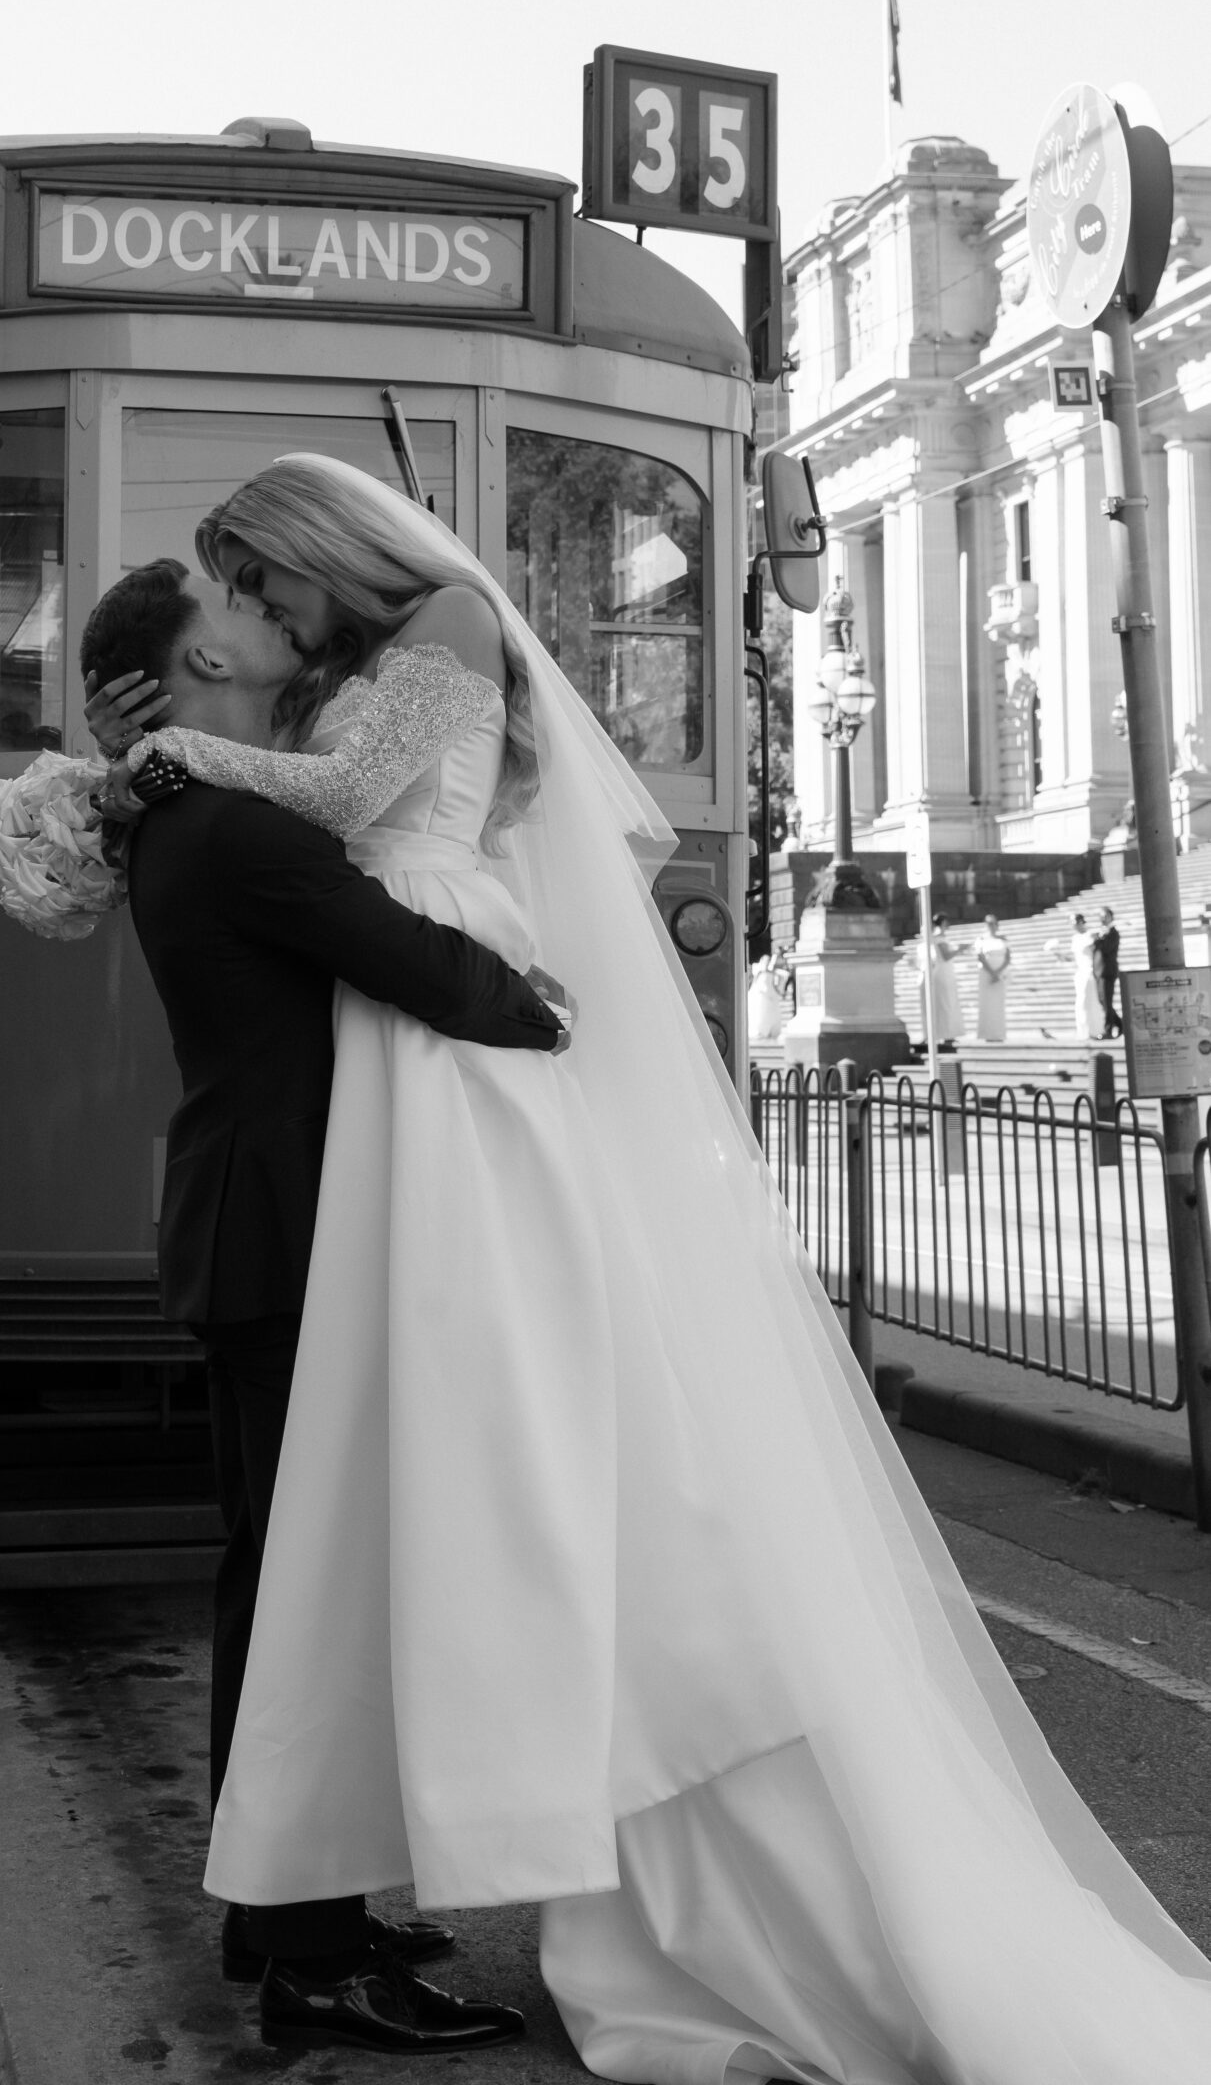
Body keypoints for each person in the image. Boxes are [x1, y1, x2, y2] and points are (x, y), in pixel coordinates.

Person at [87, 453, 1211, 2082]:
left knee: (395, 1524)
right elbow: (374, 905)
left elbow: (356, 836)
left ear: (316, 560)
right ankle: (311, 1917)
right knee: (335, 1548)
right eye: (236, 610)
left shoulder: (432, 642)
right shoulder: (243, 776)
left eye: (263, 587)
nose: (258, 618)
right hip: (384, 1116)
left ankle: (323, 1907)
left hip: (424, 1112)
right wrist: (504, 994)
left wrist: (164, 759)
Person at [79, 555, 565, 2059]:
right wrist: (542, 1011)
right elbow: (405, 958)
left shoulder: (197, 808)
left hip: (255, 1233)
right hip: (281, 1244)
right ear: (191, 671)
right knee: (303, 1597)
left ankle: (285, 1911)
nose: (266, 621)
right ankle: (310, 1959)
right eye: (229, 611)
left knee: (276, 1582)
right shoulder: (226, 827)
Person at [1051, 909, 1102, 1039]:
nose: (1072, 925)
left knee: (1091, 1001)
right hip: (1080, 972)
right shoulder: (1075, 938)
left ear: (1080, 922)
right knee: (1081, 1002)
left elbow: (1095, 954)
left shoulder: (1091, 935)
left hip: (1090, 971)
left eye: (1073, 922)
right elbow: (1073, 958)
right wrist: (1058, 954)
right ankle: (1083, 1031)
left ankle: (1095, 1030)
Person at [922, 912, 963, 1048]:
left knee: (949, 1002)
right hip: (942, 973)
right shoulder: (938, 938)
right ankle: (945, 1034)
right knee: (945, 1003)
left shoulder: (941, 937)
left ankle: (948, 1033)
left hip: (946, 972)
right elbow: (946, 956)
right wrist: (960, 949)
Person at [974, 912, 1011, 1042]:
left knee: (998, 1005)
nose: (991, 926)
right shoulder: (981, 940)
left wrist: (998, 972)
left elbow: (1007, 958)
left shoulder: (1003, 940)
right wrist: (992, 972)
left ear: (997, 924)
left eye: (993, 923)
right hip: (986, 973)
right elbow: (980, 957)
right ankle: (987, 1034)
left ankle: (998, 1033)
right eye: (988, 923)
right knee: (987, 1005)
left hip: (1000, 973)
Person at [1095, 904, 1124, 1037]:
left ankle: (1108, 1030)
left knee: (1107, 1001)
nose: (1103, 919)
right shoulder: (1101, 932)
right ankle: (1120, 1024)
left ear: (1111, 917)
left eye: (1106, 916)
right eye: (1101, 916)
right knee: (1102, 1001)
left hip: (1108, 971)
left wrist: (1099, 939)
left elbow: (1106, 949)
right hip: (1100, 971)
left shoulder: (1113, 933)